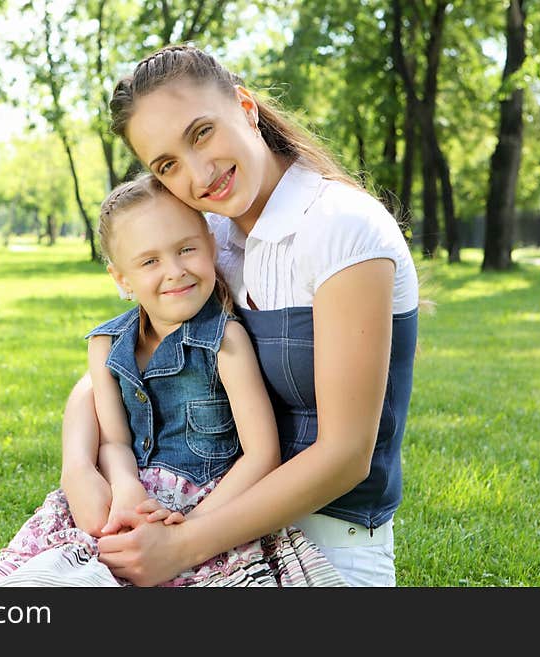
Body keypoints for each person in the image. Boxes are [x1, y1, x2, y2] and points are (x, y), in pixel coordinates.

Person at [59, 44, 420, 587]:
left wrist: (180, 546)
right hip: (198, 515)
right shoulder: (207, 245)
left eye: (201, 132)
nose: (199, 173)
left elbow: (348, 455)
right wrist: (81, 464)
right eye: (167, 165)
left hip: (328, 541)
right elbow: (117, 367)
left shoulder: (342, 228)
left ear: (246, 107)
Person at [0, 174, 346, 587]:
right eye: (150, 261)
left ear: (210, 245)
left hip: (207, 511)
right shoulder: (106, 344)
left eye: (187, 249)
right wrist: (127, 488)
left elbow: (261, 455)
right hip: (125, 502)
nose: (175, 271)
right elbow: (113, 440)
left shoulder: (225, 341)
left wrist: (187, 529)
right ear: (122, 279)